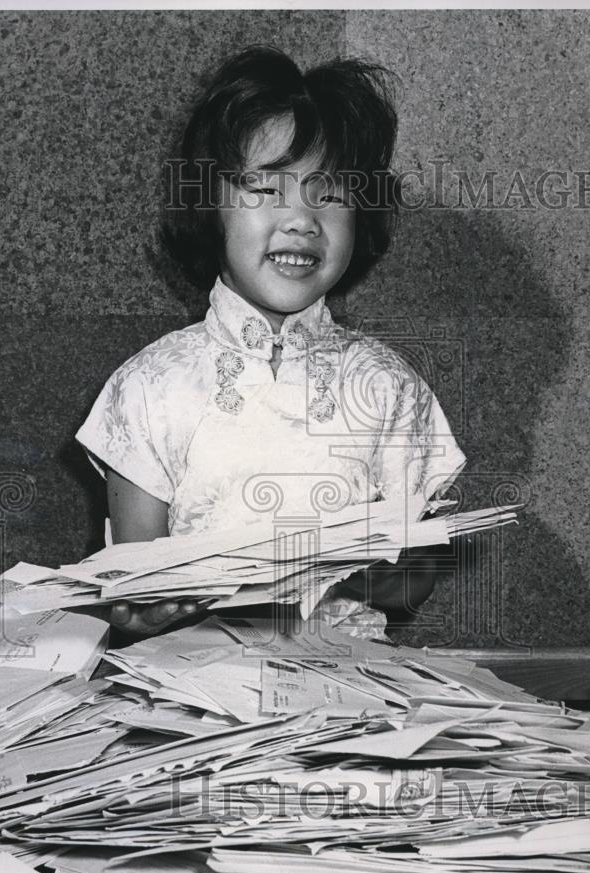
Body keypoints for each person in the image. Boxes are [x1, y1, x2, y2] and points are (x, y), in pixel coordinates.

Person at [76, 46, 465, 640]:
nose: (302, 219)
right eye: (265, 189)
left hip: (349, 692)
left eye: (330, 194)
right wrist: (145, 609)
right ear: (210, 206)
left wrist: (378, 577)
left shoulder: (389, 385)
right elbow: (135, 590)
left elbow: (414, 581)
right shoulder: (150, 384)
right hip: (188, 696)